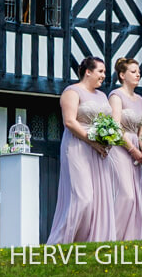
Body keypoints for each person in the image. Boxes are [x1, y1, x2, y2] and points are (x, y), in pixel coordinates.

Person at [47, 56, 117, 244]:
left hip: (99, 151)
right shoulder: (72, 91)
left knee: (99, 199)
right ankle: (63, 242)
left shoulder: (102, 96)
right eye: (100, 71)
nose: (104, 75)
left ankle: (93, 242)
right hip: (78, 146)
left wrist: (107, 140)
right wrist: (92, 141)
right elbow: (69, 121)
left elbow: (108, 122)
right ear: (88, 72)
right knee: (83, 197)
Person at [108, 57, 142, 241]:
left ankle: (131, 240)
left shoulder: (140, 100)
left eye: (138, 71)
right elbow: (115, 127)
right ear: (122, 75)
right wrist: (132, 149)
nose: (138, 74)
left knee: (137, 197)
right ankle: (111, 238)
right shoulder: (116, 96)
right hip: (120, 148)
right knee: (126, 195)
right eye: (133, 71)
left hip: (136, 151)